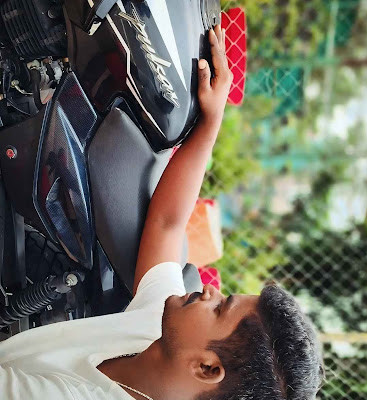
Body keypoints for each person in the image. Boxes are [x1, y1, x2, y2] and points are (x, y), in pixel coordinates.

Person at [0, 25, 324, 400]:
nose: (211, 291)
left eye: (220, 308)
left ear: (207, 368)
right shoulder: (157, 336)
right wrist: (211, 121)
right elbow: (167, 225)